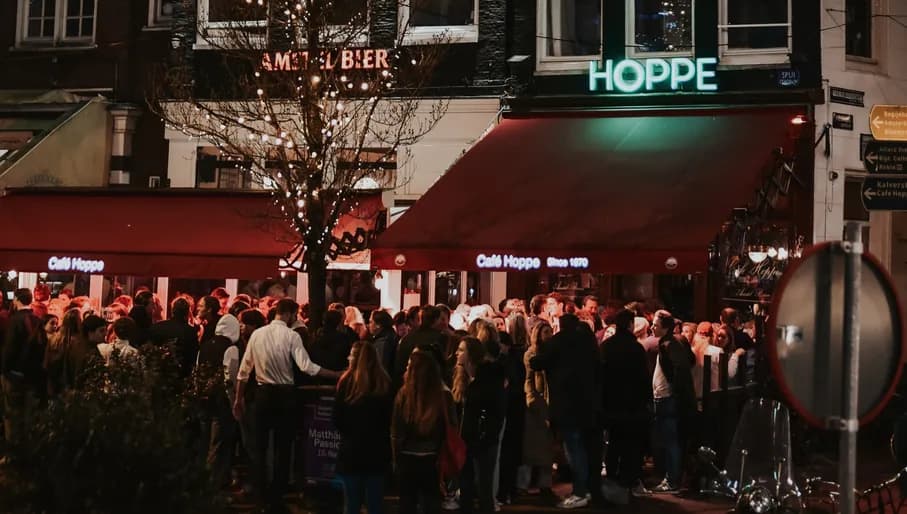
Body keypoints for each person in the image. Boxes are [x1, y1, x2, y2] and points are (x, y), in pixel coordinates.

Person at [232, 299, 341, 512]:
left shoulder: (257, 334)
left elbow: (244, 371)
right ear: (290, 314)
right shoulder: (291, 336)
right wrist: (336, 374)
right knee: (283, 448)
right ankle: (277, 495)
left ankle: (260, 494)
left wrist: (238, 398)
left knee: (260, 447)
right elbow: (307, 367)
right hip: (285, 395)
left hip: (263, 394)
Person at [529, 313, 601, 509]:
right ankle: (587, 489)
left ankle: (579, 492)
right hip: (588, 404)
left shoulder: (558, 342)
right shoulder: (588, 343)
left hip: (566, 404)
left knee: (574, 449)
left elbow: (537, 363)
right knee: (584, 449)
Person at [334, 342, 393, 514]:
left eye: (351, 355)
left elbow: (337, 418)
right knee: (375, 503)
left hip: (351, 451)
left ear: (357, 359)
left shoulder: (346, 383)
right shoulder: (384, 383)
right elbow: (389, 419)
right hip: (377, 452)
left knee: (352, 504)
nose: (348, 358)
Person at [392, 351, 451, 514]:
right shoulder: (440, 396)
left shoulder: (403, 395)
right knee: (431, 503)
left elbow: (396, 431)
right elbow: (445, 429)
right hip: (431, 458)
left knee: (407, 503)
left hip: (407, 457)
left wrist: (396, 458)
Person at [600, 309, 651, 498]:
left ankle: (612, 477)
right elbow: (643, 378)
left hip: (611, 403)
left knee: (614, 441)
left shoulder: (606, 346)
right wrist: (646, 401)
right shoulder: (636, 348)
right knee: (631, 444)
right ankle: (629, 480)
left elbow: (601, 375)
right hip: (633, 404)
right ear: (630, 325)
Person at [651, 314, 695, 493]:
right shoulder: (671, 343)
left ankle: (672, 480)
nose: (652, 328)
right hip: (666, 397)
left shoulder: (669, 344)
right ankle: (672, 478)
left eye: (655, 325)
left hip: (667, 398)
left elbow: (680, 369)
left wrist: (672, 389)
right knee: (670, 440)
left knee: (671, 441)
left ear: (665, 327)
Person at [197, 313, 241, 490]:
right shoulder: (231, 349)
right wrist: (234, 401)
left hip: (204, 398)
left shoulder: (204, 346)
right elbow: (230, 377)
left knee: (205, 439)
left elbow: (197, 370)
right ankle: (213, 483)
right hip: (221, 399)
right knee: (218, 442)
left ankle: (202, 477)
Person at [2, 288, 45, 446]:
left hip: (15, 373)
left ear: (16, 300)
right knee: (29, 412)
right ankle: (29, 445)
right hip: (33, 373)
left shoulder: (15, 321)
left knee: (12, 412)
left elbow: (10, 348)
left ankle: (13, 447)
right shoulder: (37, 320)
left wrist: (5, 369)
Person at [517, 321, 555, 498]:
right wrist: (531, 399)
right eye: (545, 332)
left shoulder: (552, 353)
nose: (548, 335)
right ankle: (523, 484)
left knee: (547, 448)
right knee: (531, 447)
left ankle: (545, 484)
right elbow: (528, 380)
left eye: (550, 331)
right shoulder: (530, 354)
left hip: (549, 403)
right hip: (535, 404)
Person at [393, 305, 447, 391]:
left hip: (410, 386)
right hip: (434, 388)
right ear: (436, 320)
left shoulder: (407, 339)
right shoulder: (442, 339)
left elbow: (399, 368)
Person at [148, 297, 200, 378]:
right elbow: (193, 355)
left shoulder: (157, 327)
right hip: (182, 374)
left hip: (160, 372)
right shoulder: (190, 331)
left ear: (172, 311)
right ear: (187, 313)